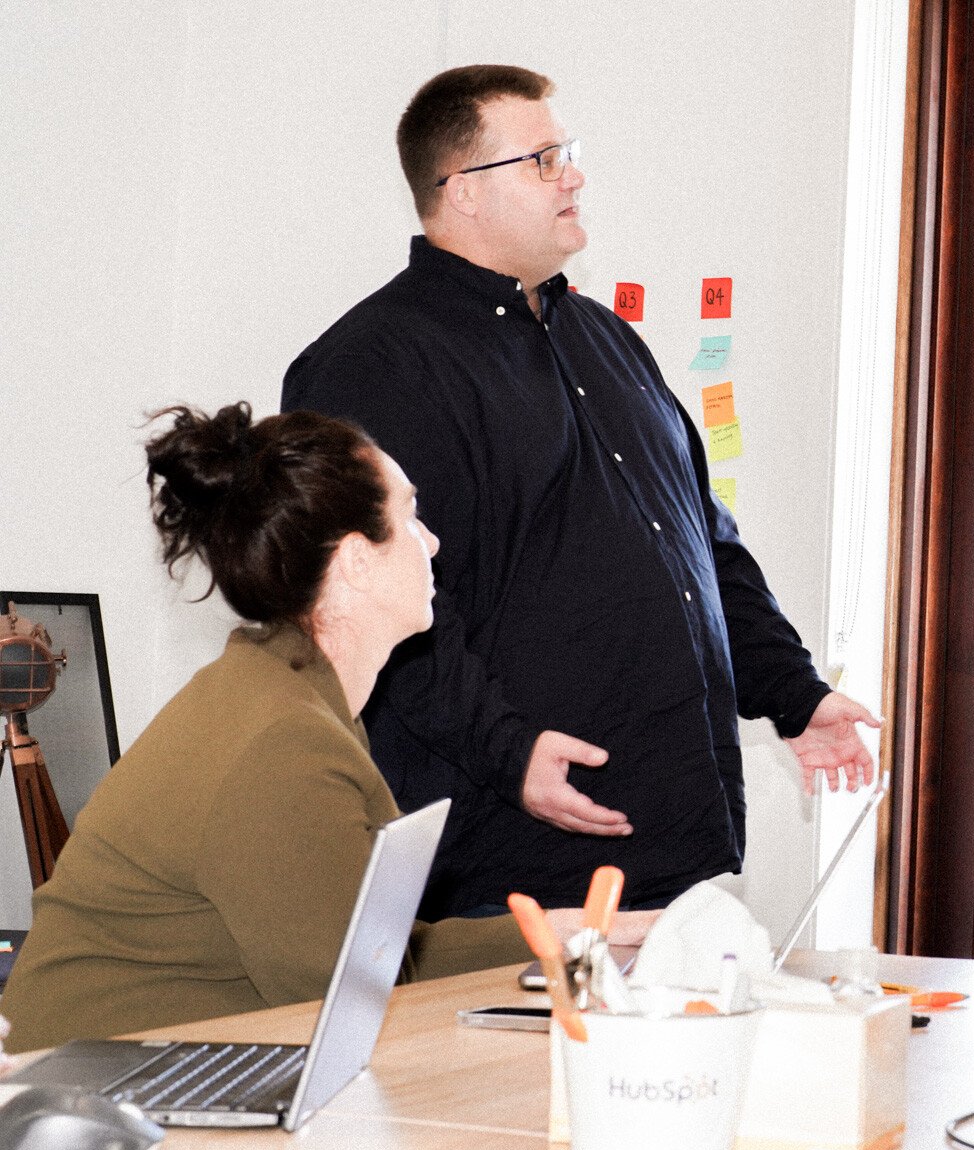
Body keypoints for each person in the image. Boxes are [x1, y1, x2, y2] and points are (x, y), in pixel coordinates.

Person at [281, 65, 878, 917]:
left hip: (667, 848)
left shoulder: (605, 337)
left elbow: (700, 543)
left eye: (568, 152)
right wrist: (510, 752)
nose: (574, 175)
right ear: (462, 193)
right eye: (542, 158)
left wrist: (795, 694)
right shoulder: (371, 365)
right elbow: (364, 606)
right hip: (507, 868)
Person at [0, 404, 651, 1051]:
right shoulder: (284, 742)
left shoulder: (286, 691)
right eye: (409, 518)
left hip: (142, 1077)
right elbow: (354, 995)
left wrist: (569, 932)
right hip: (96, 1101)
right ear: (355, 562)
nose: (432, 543)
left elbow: (372, 954)